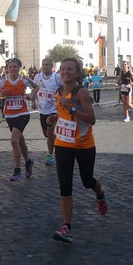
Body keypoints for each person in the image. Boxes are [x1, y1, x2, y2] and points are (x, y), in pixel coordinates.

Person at [48, 58, 107, 243]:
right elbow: (63, 115)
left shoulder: (81, 92)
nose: (66, 72)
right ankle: (67, 227)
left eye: (70, 69)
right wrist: (54, 119)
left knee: (87, 181)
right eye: (63, 69)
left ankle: (100, 193)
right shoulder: (58, 92)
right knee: (65, 185)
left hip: (83, 145)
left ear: (77, 73)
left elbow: (91, 119)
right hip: (63, 144)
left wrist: (72, 107)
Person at [0, 58, 39, 181]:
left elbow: (36, 87)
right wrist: (1, 95)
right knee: (20, 141)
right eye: (10, 66)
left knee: (14, 140)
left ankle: (17, 170)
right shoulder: (2, 80)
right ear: (7, 68)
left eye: (15, 66)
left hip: (22, 113)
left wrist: (31, 96)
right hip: (9, 114)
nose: (12, 68)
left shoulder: (23, 79)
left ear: (19, 68)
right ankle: (28, 162)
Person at [33, 58, 63, 165]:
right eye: (43, 64)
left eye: (47, 65)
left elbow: (65, 88)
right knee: (46, 134)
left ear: (51, 66)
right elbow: (34, 89)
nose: (44, 66)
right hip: (42, 110)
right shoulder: (38, 76)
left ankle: (49, 155)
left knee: (50, 133)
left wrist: (61, 99)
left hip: (54, 110)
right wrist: (32, 101)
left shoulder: (57, 77)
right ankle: (56, 140)